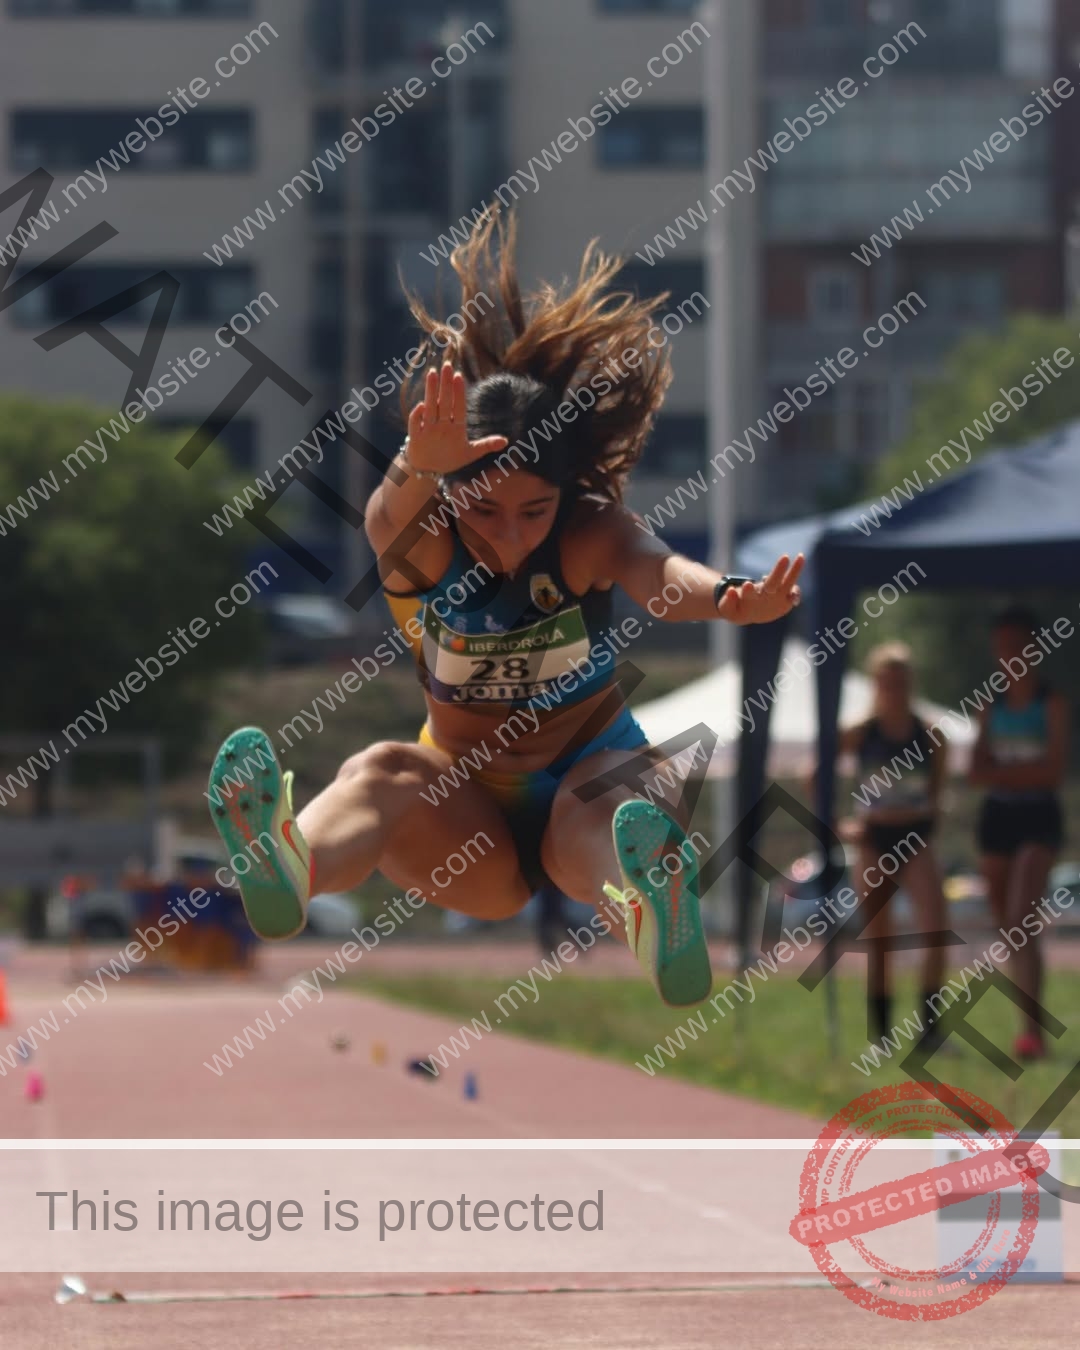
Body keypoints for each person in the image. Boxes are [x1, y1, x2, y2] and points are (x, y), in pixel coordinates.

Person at [206, 210, 802, 1008]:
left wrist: (728, 598)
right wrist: (421, 466)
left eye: (534, 510)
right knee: (382, 768)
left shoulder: (592, 533)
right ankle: (287, 864)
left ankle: (652, 908)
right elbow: (390, 510)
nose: (512, 536)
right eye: (484, 511)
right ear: (451, 497)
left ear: (565, 495)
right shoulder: (421, 540)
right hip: (466, 816)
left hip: (590, 788)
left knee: (612, 794)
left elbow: (663, 577)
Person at [837, 643, 948, 1049]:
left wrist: (926, 812)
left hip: (915, 835)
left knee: (934, 927)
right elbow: (817, 771)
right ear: (876, 685)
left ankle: (930, 1030)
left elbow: (938, 788)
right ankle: (880, 1035)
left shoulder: (929, 734)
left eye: (901, 682)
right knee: (879, 936)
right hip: (873, 838)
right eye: (887, 682)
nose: (895, 690)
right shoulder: (860, 733)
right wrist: (839, 823)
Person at [971, 606, 1069, 1060]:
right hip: (997, 820)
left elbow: (1053, 770)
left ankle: (1033, 1030)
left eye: (1018, 645)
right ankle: (1028, 1026)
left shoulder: (1051, 703)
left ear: (1034, 648)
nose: (1010, 654)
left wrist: (1005, 773)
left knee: (1019, 917)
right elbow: (976, 770)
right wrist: (1014, 774)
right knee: (1011, 930)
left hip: (1037, 820)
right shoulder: (991, 706)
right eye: (1002, 646)